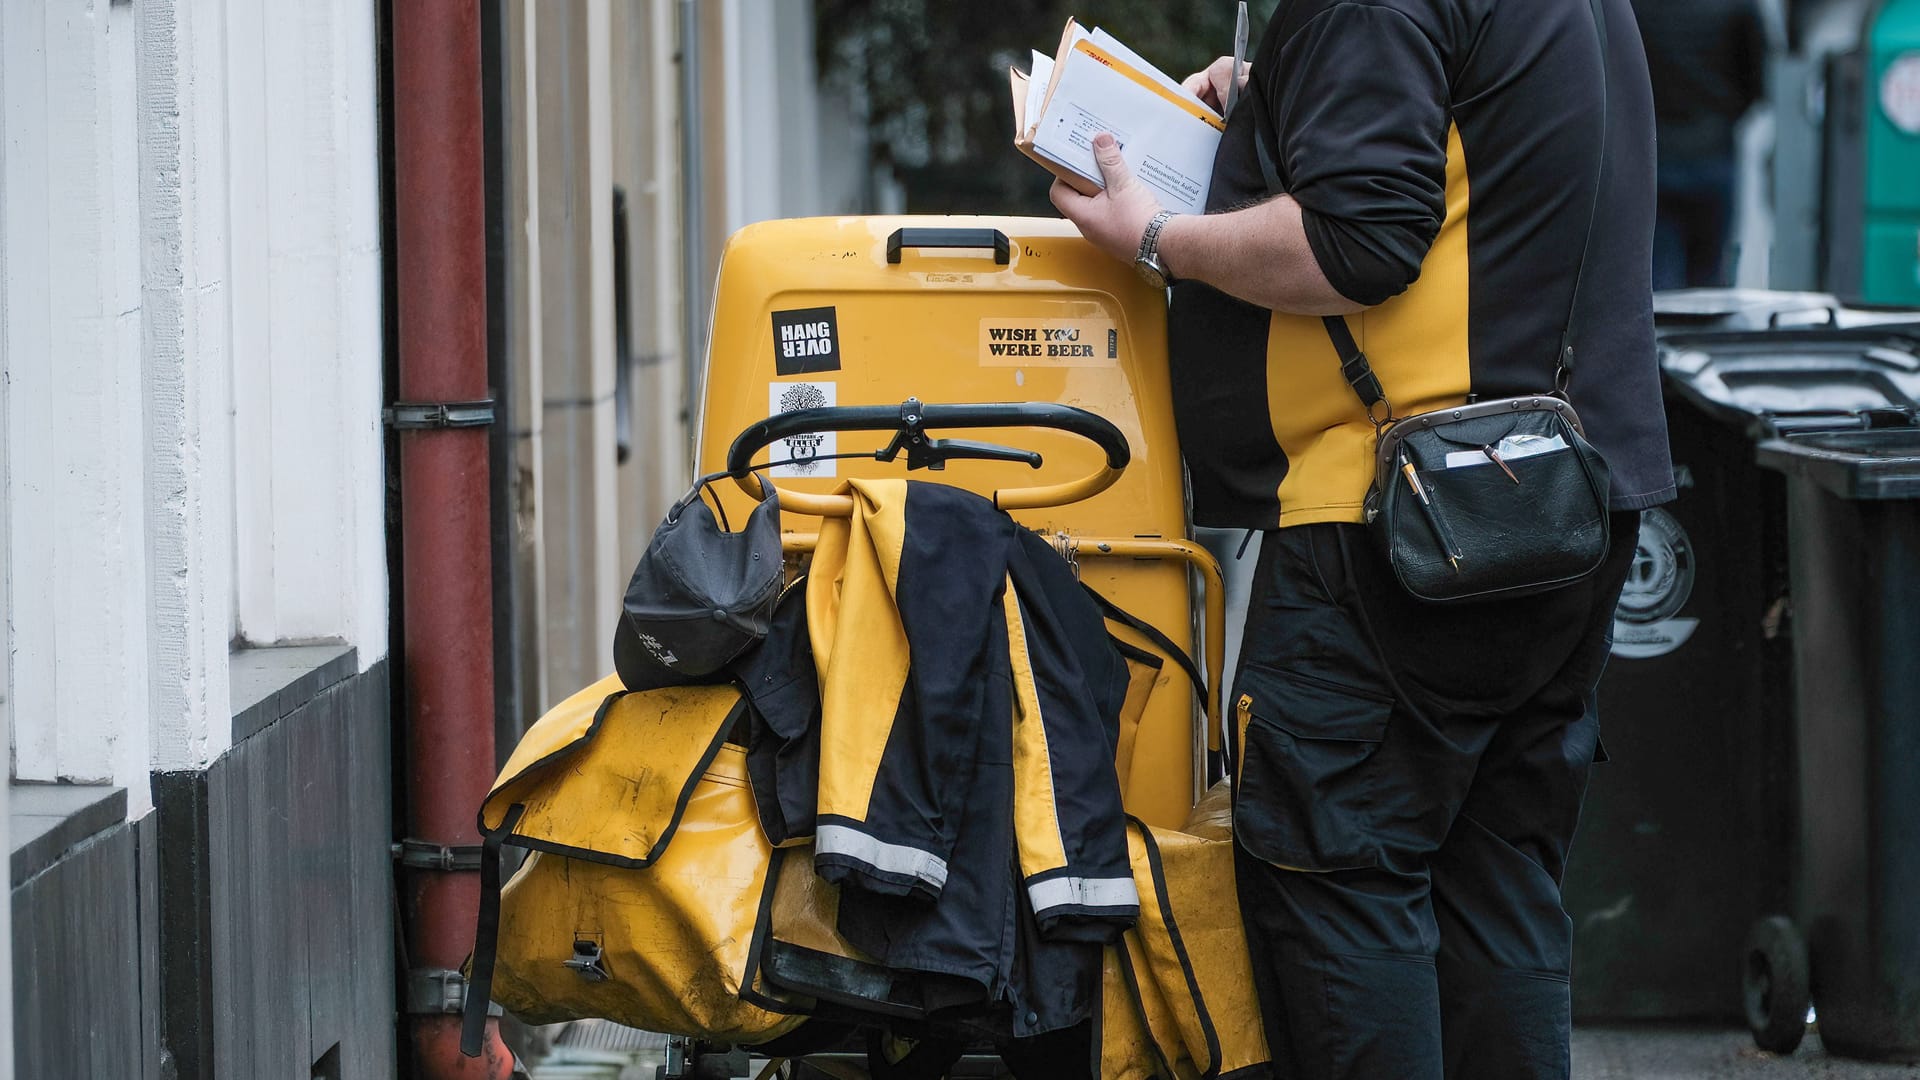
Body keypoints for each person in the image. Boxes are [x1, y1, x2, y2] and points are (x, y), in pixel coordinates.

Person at [1050, 1, 1674, 1078]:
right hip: (1562, 499)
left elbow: (1359, 240)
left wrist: (1158, 235)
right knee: (1496, 891)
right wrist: (1271, 112)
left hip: (1400, 517)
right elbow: (1487, 149)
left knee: (1340, 883)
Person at [1631, 0, 1770, 288]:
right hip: (1713, 154)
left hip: (1655, 155)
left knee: (1656, 278)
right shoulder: (1737, 6)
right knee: (1710, 278)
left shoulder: (1635, 6)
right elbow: (1757, 82)